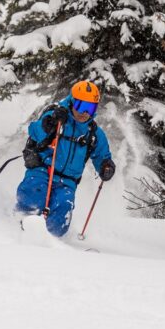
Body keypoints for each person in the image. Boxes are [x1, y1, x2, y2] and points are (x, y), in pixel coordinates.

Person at [16, 81, 116, 237]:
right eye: (81, 105)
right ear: (72, 101)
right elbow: (34, 131)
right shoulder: (57, 115)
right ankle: (20, 226)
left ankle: (52, 243)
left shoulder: (94, 133)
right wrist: (50, 123)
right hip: (43, 169)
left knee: (63, 208)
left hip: (68, 181)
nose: (84, 112)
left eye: (90, 108)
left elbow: (102, 155)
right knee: (35, 192)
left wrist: (105, 166)